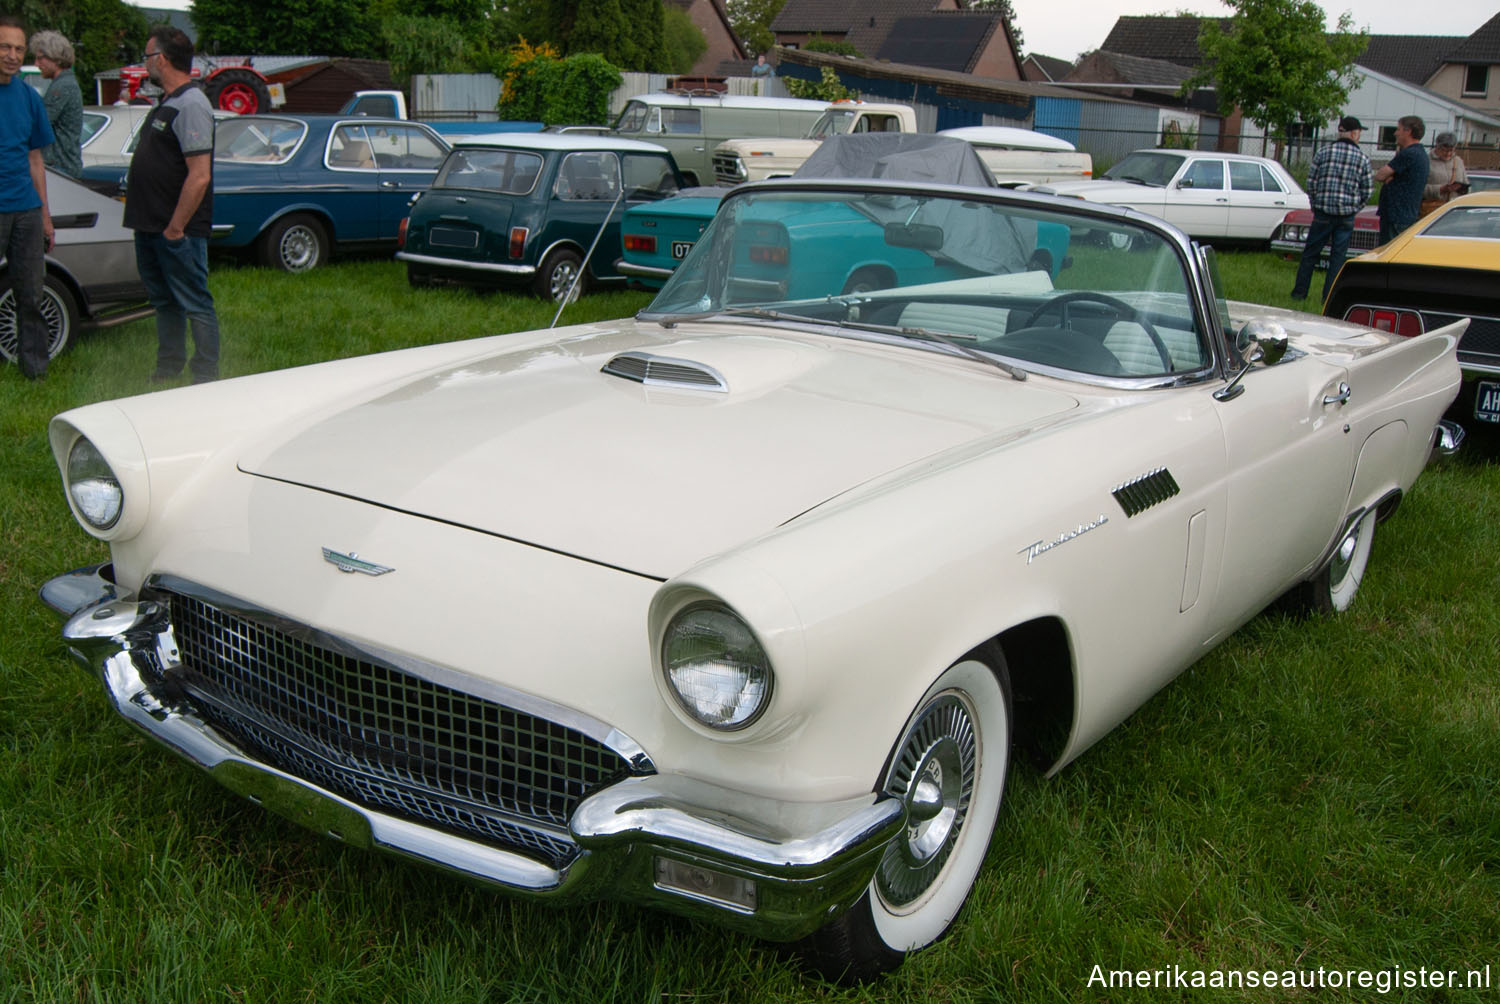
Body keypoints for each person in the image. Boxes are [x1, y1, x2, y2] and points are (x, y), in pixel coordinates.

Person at [125, 26, 220, 383]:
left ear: (161, 59)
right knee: (165, 302)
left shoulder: (192, 103)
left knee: (195, 302)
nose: (145, 64)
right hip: (150, 226)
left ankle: (205, 375)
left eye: (147, 57)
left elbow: (199, 176)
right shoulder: (169, 102)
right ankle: (167, 369)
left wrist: (176, 228)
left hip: (176, 231)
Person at [0, 15, 55, 381]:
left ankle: (34, 371)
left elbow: (36, 160)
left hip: (26, 211)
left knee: (31, 294)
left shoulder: (29, 97)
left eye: (19, 48)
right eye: (5, 46)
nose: (12, 55)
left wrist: (46, 215)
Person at [1290, 115, 1372, 305]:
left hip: (1322, 213)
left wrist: (1315, 203)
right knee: (1338, 257)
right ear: (1354, 133)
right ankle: (1329, 297)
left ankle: (1299, 293)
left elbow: (1311, 181)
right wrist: (1354, 208)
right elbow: (1367, 190)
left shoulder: (1323, 152)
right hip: (1346, 215)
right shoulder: (1362, 158)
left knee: (1310, 254)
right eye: (1358, 132)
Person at [32, 30, 81, 178]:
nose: (36, 64)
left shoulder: (62, 87)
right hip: (63, 167)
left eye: (40, 59)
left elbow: (39, 124)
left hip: (59, 168)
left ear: (56, 58)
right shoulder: (64, 83)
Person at [1374, 115, 1427, 245]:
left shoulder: (1409, 153)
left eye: (1399, 129)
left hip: (1397, 215)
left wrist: (1389, 176)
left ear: (1408, 131)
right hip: (1405, 214)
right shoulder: (1421, 153)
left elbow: (1380, 175)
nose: (1395, 133)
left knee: (1389, 252)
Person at [1422, 132, 1467, 215]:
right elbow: (1418, 188)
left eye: (1451, 150)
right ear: (1437, 146)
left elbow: (1465, 182)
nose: (1448, 154)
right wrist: (1441, 189)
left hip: (1454, 210)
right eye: (1444, 150)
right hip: (1432, 210)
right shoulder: (1426, 161)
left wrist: (1463, 189)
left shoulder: (1458, 161)